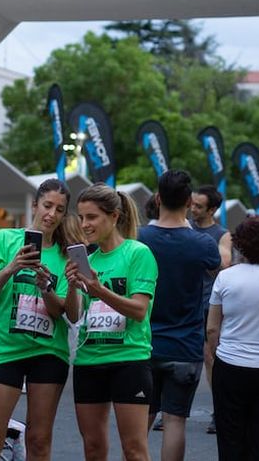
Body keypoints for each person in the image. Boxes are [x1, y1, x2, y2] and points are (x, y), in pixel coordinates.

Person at [0, 179, 75, 461]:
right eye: (47, 205)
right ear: (35, 205)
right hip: (5, 348)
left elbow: (62, 312)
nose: (51, 214)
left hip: (48, 351)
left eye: (59, 209)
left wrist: (46, 287)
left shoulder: (65, 254)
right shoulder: (5, 239)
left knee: (39, 440)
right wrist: (12, 267)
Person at [65, 183, 157, 461]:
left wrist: (100, 290)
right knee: (93, 449)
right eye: (82, 217)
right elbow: (74, 315)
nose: (85, 224)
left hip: (129, 360)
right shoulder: (88, 259)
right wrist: (72, 287)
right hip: (88, 361)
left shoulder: (138, 253)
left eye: (92, 217)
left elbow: (139, 310)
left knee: (134, 450)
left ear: (114, 216)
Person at [138, 170, 220, 461]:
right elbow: (215, 269)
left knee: (140, 423)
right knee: (175, 421)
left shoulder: (139, 238)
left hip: (143, 343)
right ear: (188, 202)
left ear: (158, 199)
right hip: (186, 345)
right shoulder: (202, 243)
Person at [206, 216, 259, 460]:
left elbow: (212, 328)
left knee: (230, 438)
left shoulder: (226, 277)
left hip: (230, 364)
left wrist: (217, 352)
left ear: (240, 243)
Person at [189, 184, 233, 434]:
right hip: (184, 301)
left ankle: (219, 411)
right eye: (192, 204)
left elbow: (223, 264)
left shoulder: (221, 234)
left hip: (208, 303)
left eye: (199, 206)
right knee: (178, 358)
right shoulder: (185, 227)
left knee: (210, 358)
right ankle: (169, 409)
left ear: (212, 210)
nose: (193, 209)